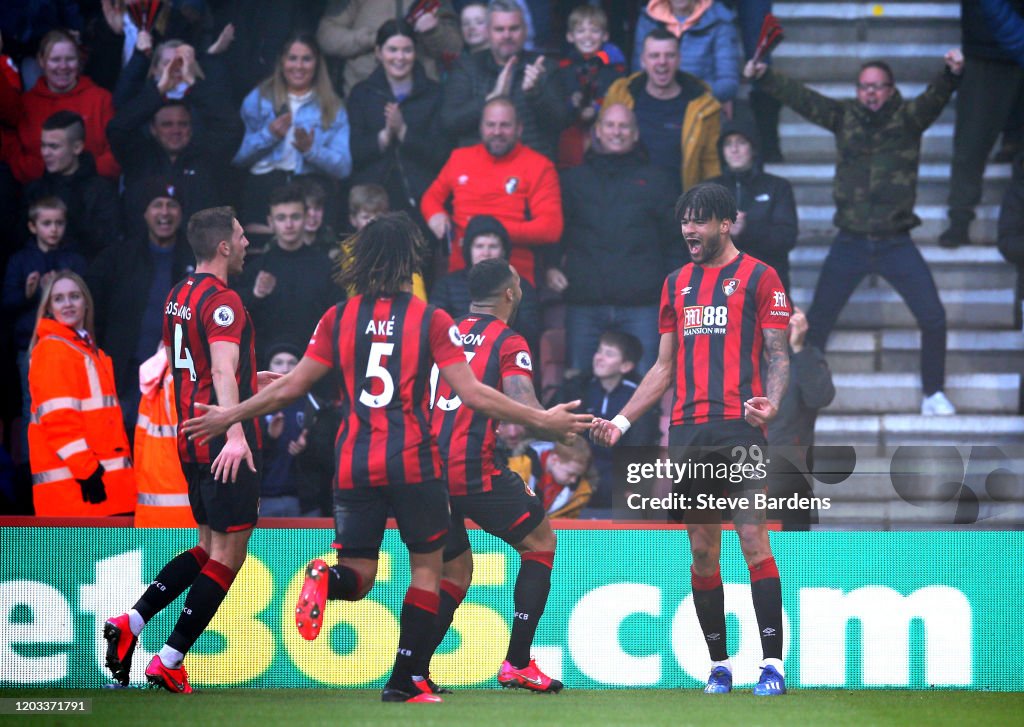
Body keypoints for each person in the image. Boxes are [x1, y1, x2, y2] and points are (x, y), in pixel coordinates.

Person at [180, 212, 591, 703]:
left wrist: (231, 416)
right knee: (428, 570)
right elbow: (474, 394)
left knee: (359, 574)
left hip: (352, 461)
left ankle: (327, 580)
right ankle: (405, 680)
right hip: (413, 461)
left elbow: (289, 386)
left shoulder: (339, 316)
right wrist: (545, 424)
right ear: (408, 261)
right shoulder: (429, 317)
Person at [591, 182, 792, 696]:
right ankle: (719, 665)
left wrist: (771, 401)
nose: (689, 229)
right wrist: (623, 422)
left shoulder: (761, 277)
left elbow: (778, 353)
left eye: (700, 220)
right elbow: (662, 368)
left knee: (752, 537)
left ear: (727, 223)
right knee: (703, 550)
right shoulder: (676, 283)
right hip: (688, 431)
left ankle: (772, 666)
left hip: (739, 427)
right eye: (685, 220)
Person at [746, 50, 964, 415]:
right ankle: (800, 391)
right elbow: (804, 100)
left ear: (891, 89)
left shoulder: (909, 118)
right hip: (850, 241)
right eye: (865, 87)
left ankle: (933, 392)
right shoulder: (844, 116)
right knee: (816, 324)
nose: (871, 94)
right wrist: (765, 77)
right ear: (857, 91)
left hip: (896, 242)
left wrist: (951, 73)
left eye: (878, 87)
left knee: (933, 316)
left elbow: (936, 97)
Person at [102, 206, 264, 694]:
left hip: (189, 437)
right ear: (223, 247)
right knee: (228, 556)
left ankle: (131, 620)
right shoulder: (225, 301)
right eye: (241, 236)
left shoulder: (178, 294)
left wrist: (257, 384)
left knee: (206, 546)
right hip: (221, 440)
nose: (246, 243)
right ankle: (169, 659)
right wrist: (236, 432)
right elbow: (218, 367)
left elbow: (192, 367)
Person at [426, 257, 564, 692]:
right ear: (509, 293)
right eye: (519, 285)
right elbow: (525, 405)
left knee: (455, 571)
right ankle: (518, 662)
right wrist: (570, 429)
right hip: (473, 469)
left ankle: (414, 672)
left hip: (425, 472)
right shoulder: (508, 341)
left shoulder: (440, 332)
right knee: (541, 543)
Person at [545, 102, 678, 374]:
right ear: (597, 132)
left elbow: (675, 240)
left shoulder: (658, 181)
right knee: (578, 384)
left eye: (624, 126)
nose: (617, 132)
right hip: (585, 301)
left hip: (643, 302)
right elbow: (556, 229)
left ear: (635, 133)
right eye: (610, 125)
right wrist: (550, 265)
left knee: (646, 387)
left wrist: (674, 287)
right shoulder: (573, 180)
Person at [87, 179, 194, 430]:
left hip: (177, 379)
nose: (165, 212)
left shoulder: (196, 258)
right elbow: (93, 306)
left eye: (172, 205)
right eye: (157, 205)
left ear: (181, 213)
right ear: (145, 213)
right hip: (125, 377)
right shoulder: (118, 257)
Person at [27, 270, 136, 517]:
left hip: (101, 491)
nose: (67, 303)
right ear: (48, 309)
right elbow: (58, 421)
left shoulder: (85, 350)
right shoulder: (54, 351)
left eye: (74, 296)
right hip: (79, 492)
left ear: (86, 302)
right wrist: (87, 471)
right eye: (59, 298)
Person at [421, 96, 563, 285]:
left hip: (513, 279)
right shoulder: (460, 158)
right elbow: (431, 198)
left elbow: (550, 228)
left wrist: (490, 230)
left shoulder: (539, 166)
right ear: (481, 128)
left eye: (505, 125)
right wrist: (435, 215)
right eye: (491, 125)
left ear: (519, 129)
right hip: (460, 275)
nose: (497, 132)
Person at [106, 38, 239, 232]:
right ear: (153, 128)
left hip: (197, 254)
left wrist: (193, 82)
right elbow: (117, 128)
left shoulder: (206, 155)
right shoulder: (138, 156)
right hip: (145, 252)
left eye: (182, 124)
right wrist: (159, 89)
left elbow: (232, 126)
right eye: (167, 125)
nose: (175, 130)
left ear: (191, 127)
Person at [232, 34, 352, 233]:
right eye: (292, 58)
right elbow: (237, 157)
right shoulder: (259, 98)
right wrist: (269, 135)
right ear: (281, 61)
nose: (299, 66)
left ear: (317, 63)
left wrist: (311, 150)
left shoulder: (333, 105)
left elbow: (344, 167)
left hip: (312, 190)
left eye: (306, 59)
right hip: (264, 187)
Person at [5, 198, 86, 475]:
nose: (53, 229)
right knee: (34, 407)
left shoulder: (73, 259)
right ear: (32, 226)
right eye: (46, 223)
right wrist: (27, 295)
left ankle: (72, 464)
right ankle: (33, 466)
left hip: (71, 347)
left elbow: (86, 299)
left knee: (70, 407)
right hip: (32, 347)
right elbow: (6, 302)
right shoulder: (21, 260)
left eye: (59, 223)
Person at [938, 0, 1024, 247]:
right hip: (989, 49)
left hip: (991, 44)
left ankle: (961, 219)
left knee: (972, 144)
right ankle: (960, 218)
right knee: (971, 144)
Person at [440, 0, 569, 161]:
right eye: (499, 29)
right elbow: (450, 123)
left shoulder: (545, 66)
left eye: (514, 28)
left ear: (525, 30)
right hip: (480, 170)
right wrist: (491, 99)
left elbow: (561, 123)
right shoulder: (467, 67)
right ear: (488, 32)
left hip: (531, 170)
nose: (507, 35)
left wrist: (536, 95)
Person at [347, 20, 450, 222]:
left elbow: (441, 153)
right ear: (378, 53)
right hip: (372, 200)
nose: (400, 57)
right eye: (392, 50)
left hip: (422, 198)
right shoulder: (362, 93)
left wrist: (403, 132)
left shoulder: (434, 93)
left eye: (407, 50)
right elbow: (354, 152)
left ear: (416, 53)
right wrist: (384, 137)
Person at [550, 330, 661, 516]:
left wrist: (633, 486)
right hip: (577, 475)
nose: (599, 358)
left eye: (608, 354)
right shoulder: (577, 388)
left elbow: (643, 448)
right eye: (599, 351)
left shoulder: (638, 399)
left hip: (618, 481)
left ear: (626, 366)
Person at [605, 27, 720, 195]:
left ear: (679, 59)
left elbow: (711, 165)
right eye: (654, 56)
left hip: (679, 206)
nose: (662, 62)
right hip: (625, 203)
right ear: (643, 60)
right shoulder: (621, 94)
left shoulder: (703, 106)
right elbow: (600, 146)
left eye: (670, 55)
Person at [239, 184, 339, 364]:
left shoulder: (327, 267)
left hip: (315, 368)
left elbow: (338, 321)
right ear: (270, 222)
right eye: (281, 218)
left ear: (306, 218)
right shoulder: (255, 270)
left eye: (295, 217)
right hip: (265, 368)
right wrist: (255, 295)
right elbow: (236, 318)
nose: (289, 224)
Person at [6, 30, 119, 183]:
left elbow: (117, 153)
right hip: (40, 195)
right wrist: (45, 173)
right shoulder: (26, 104)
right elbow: (14, 155)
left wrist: (79, 172)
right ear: (41, 61)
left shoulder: (101, 99)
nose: (63, 66)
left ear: (79, 61)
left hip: (93, 191)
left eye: (70, 59)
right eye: (55, 60)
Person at [706, 117, 797, 291]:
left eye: (741, 142)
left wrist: (747, 229)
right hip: (719, 288)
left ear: (753, 148)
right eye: (728, 144)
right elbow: (693, 240)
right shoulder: (707, 190)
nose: (734, 149)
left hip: (767, 286)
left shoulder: (777, 187)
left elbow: (787, 237)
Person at [430, 214, 541, 356]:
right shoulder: (447, 285)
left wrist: (505, 309)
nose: (486, 253)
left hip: (504, 356)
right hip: (457, 357)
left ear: (504, 251)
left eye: (493, 246)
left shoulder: (520, 286)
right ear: (468, 250)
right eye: (479, 246)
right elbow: (436, 329)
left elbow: (531, 335)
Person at [22, 110, 119, 261]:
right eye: (43, 146)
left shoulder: (102, 191)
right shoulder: (35, 191)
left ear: (77, 148)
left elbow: (108, 245)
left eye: (53, 147)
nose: (45, 153)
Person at [316, 0, 463, 96]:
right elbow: (326, 35)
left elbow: (455, 47)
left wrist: (434, 31)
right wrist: (375, 39)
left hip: (421, 98)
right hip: (365, 94)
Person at [631, 0, 740, 112]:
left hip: (701, 108)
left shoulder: (719, 21)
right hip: (655, 107)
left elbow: (728, 83)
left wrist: (683, 96)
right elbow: (638, 75)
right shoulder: (648, 18)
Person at [553, 5, 626, 167]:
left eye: (594, 31)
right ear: (570, 36)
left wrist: (597, 108)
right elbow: (555, 102)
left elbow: (618, 100)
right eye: (580, 31)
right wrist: (572, 103)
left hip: (604, 135)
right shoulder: (563, 68)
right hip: (570, 134)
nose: (588, 36)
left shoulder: (615, 68)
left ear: (605, 36)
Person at [258, 343, 308, 517]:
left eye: (292, 362)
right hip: (262, 499)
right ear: (268, 367)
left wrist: (307, 446)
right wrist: (269, 437)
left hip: (305, 502)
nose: (285, 368)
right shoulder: (255, 402)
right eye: (278, 362)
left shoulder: (312, 403)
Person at [508, 435, 594, 518]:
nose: (574, 480)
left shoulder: (580, 493)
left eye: (578, 475)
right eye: (571, 474)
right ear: (554, 460)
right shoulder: (518, 470)